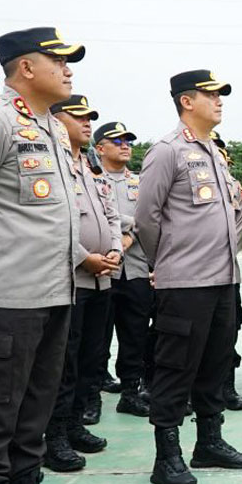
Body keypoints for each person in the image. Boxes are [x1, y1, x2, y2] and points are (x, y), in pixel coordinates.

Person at [0, 26, 83, 484]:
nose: (67, 69)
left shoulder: (54, 126)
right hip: (3, 300)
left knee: (32, 418)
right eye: (58, 61)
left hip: (55, 294)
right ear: (26, 67)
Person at [135, 70, 242, 484]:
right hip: (183, 283)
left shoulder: (215, 154)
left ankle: (209, 442)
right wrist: (166, 260)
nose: (220, 100)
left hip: (224, 279)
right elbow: (146, 218)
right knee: (174, 369)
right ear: (187, 102)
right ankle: (166, 457)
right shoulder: (167, 151)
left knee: (214, 364)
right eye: (212, 94)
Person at [46, 95, 122, 472]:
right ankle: (55, 435)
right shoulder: (52, 163)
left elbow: (112, 218)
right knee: (65, 362)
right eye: (78, 116)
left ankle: (76, 424)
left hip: (102, 282)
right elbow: (51, 220)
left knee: (93, 356)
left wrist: (112, 253)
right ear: (58, 120)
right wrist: (83, 257)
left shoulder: (92, 168)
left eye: (90, 117)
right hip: (69, 281)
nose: (87, 122)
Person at [95, 121, 154, 415]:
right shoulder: (89, 179)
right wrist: (127, 231)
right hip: (101, 270)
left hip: (136, 270)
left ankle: (130, 392)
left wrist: (128, 237)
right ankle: (90, 398)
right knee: (96, 336)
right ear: (99, 148)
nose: (124, 145)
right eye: (116, 141)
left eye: (127, 140)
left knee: (135, 334)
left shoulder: (141, 181)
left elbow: (151, 217)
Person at [211, 130, 242, 411]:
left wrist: (220, 253)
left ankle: (227, 385)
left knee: (228, 331)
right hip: (188, 273)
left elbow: (241, 226)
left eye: (220, 149)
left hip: (226, 271)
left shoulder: (235, 187)